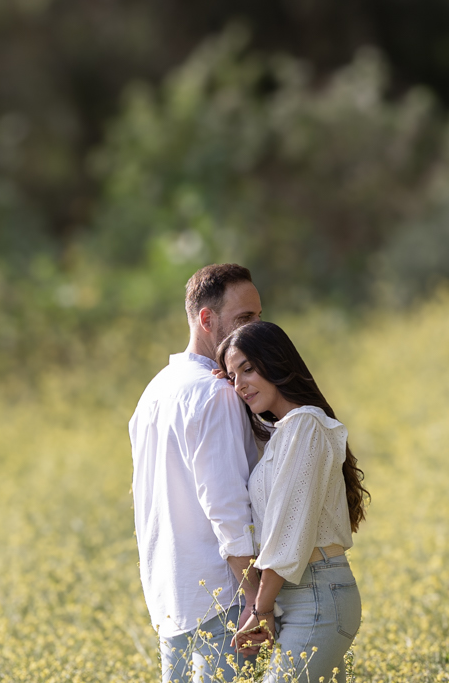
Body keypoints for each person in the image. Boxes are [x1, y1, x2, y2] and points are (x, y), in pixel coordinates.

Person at [129, 263, 265, 682]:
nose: (255, 333)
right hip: (222, 599)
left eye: (258, 320)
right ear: (207, 319)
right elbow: (227, 509)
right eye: (243, 320)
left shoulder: (154, 391)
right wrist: (257, 600)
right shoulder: (216, 392)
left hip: (172, 599)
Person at [218, 320, 368, 683]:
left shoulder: (305, 426)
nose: (239, 385)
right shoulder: (284, 432)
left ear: (276, 362)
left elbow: (287, 533)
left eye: (248, 369)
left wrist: (260, 608)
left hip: (317, 596)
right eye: (231, 376)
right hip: (302, 595)